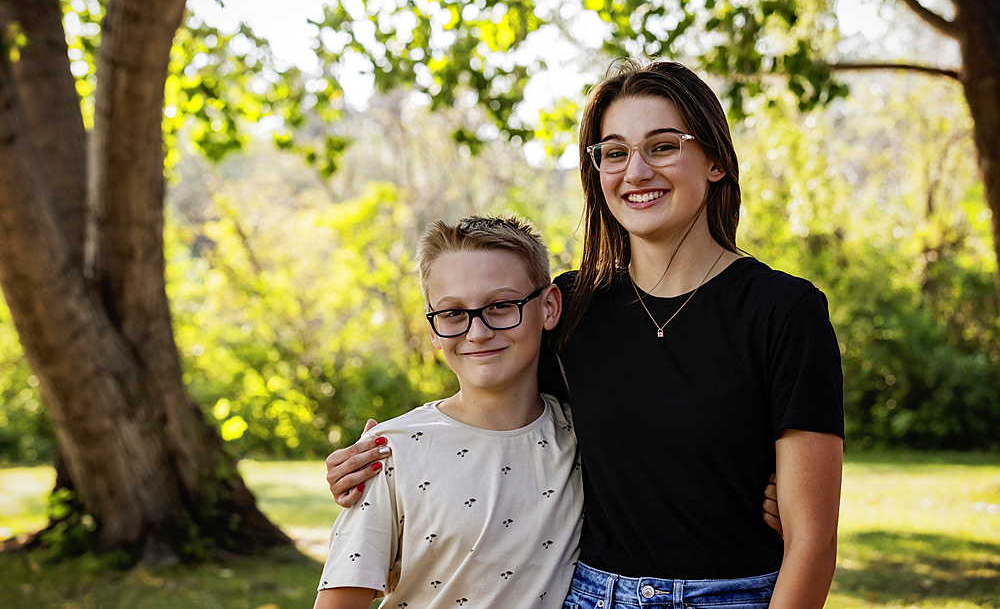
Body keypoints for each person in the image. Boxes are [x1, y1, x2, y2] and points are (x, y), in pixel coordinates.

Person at [326, 59, 844, 609]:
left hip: (735, 595)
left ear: (715, 159)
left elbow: (812, 539)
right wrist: (381, 466)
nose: (636, 171)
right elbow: (490, 399)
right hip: (593, 596)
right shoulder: (571, 306)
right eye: (614, 152)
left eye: (662, 146)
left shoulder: (785, 311)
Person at [313, 215, 582, 609]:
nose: (478, 332)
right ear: (434, 328)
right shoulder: (389, 452)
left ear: (549, 307)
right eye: (453, 313)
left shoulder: (583, 436)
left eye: (502, 305)